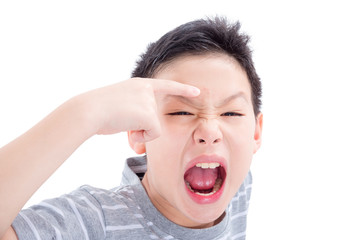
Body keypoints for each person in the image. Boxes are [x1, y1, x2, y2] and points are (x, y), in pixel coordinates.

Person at [0, 17, 263, 240]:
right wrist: (85, 112)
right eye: (181, 111)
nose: (209, 131)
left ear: (255, 133)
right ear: (138, 131)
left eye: (231, 112)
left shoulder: (237, 187)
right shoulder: (95, 221)